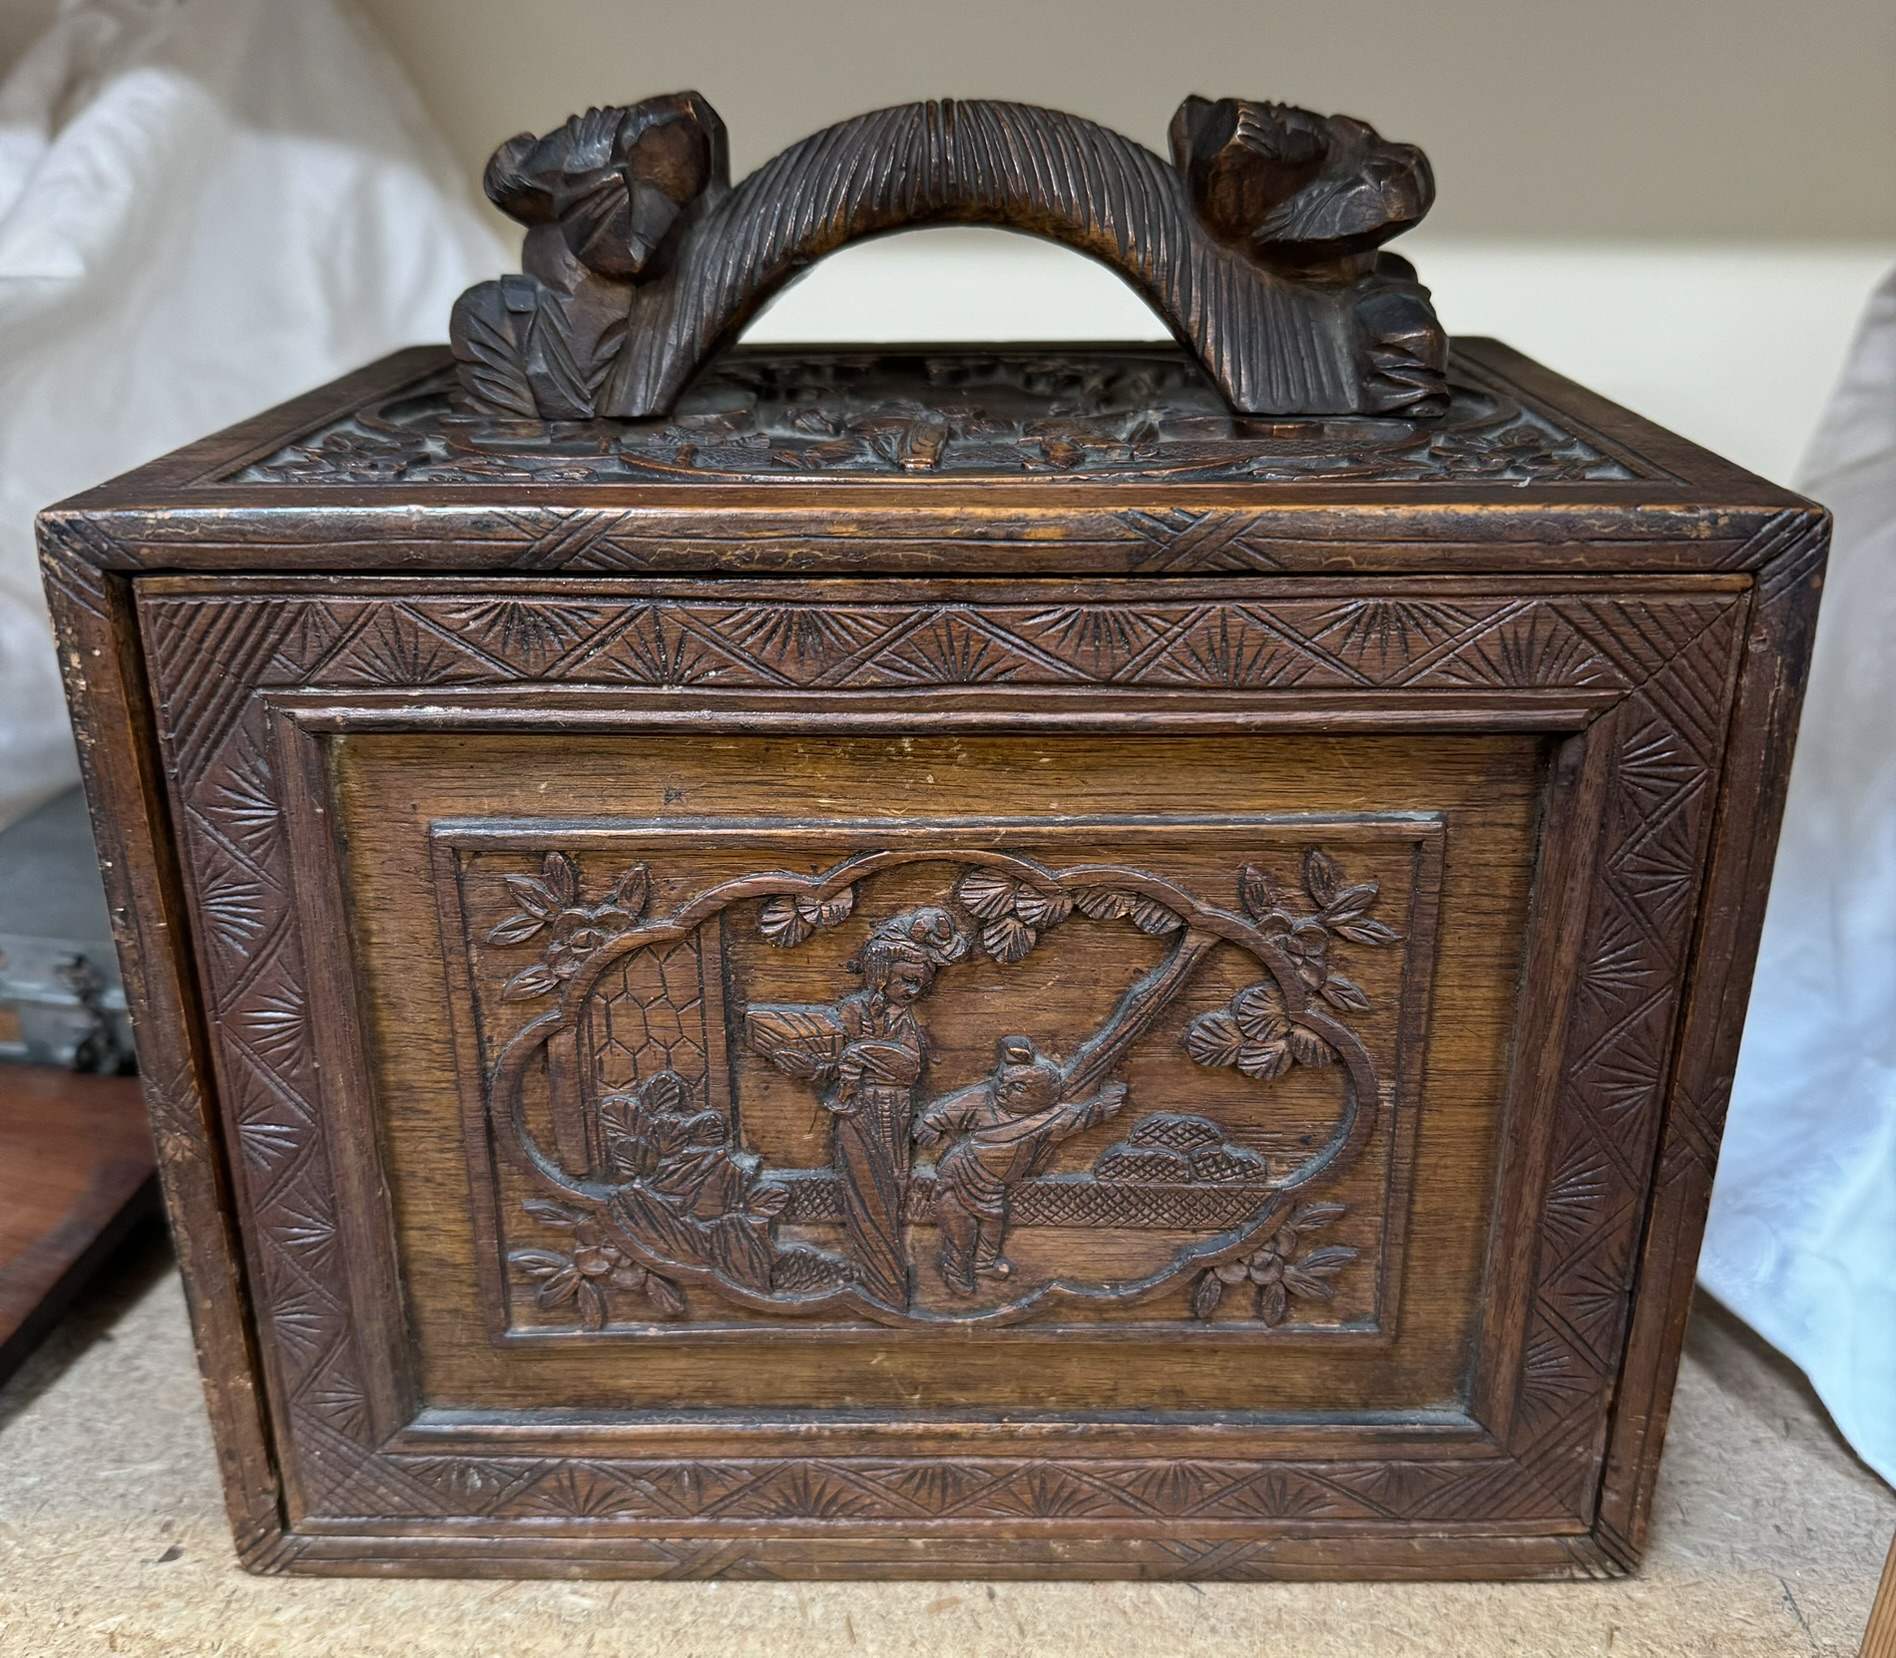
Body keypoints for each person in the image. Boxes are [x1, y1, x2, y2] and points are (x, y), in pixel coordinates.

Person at [914, 1035, 1127, 1296]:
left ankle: (983, 1263)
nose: (1003, 1090)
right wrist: (930, 1125)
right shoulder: (984, 1102)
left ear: (1040, 1096)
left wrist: (1103, 1107)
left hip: (993, 1186)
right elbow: (948, 1111)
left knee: (994, 1221)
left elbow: (1079, 1117)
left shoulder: (1049, 1119)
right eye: (1003, 1083)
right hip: (960, 1176)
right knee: (961, 1229)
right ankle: (956, 1270)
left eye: (1017, 1087)